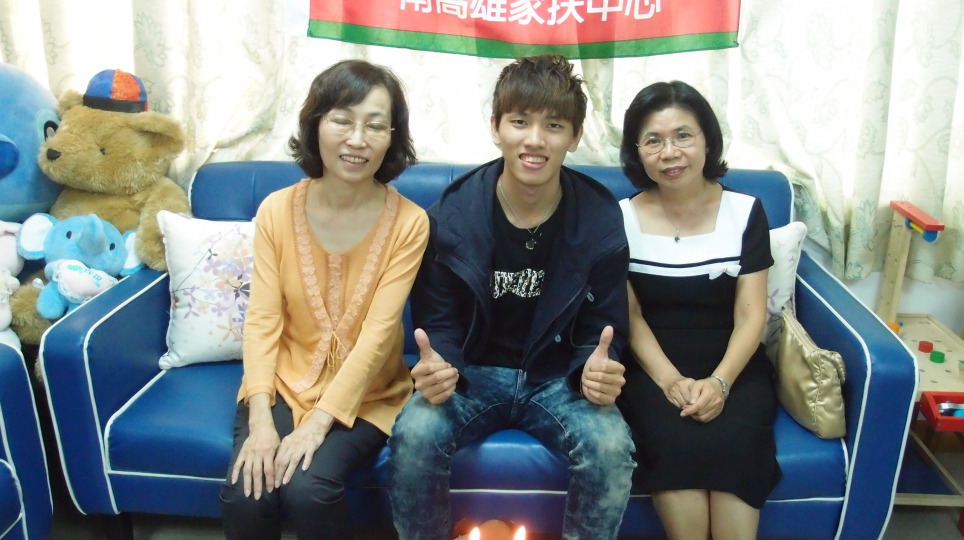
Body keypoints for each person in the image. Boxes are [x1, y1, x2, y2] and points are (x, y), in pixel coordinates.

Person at [388, 54, 636, 540]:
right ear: (496, 127)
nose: (535, 140)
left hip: (558, 377)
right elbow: (439, 322)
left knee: (610, 446)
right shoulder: (452, 215)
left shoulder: (600, 216)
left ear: (575, 137)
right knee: (416, 434)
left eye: (554, 125)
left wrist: (596, 366)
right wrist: (440, 366)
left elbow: (604, 327)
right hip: (473, 373)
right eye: (520, 122)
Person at [219, 59, 429, 540]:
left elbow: (379, 336)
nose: (357, 139)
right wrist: (260, 418)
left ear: (391, 137)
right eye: (342, 120)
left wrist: (318, 424)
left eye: (374, 125)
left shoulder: (410, 223)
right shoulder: (276, 209)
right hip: (283, 382)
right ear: (316, 124)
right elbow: (263, 320)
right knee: (248, 492)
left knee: (307, 488)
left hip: (368, 393)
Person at [616, 80, 781, 540]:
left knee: (736, 447)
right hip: (653, 369)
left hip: (735, 366)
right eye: (653, 140)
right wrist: (671, 381)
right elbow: (630, 316)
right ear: (637, 152)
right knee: (674, 445)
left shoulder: (745, 212)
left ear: (707, 140)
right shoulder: (620, 218)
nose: (670, 152)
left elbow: (751, 316)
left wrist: (721, 383)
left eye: (683, 136)